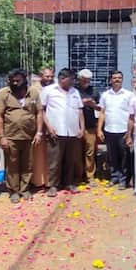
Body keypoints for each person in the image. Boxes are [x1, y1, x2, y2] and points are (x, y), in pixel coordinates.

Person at [0, 70, 42, 204]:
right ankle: (13, 191)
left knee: (28, 164)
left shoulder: (33, 92)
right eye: (13, 80)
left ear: (24, 80)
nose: (15, 83)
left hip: (29, 136)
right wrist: (2, 137)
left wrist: (39, 132)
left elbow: (39, 113)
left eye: (18, 80)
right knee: (12, 166)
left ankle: (24, 189)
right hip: (11, 137)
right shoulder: (3, 93)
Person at [41, 68, 85, 196]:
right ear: (62, 79)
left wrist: (81, 128)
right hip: (56, 131)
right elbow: (42, 110)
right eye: (71, 79)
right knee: (54, 160)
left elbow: (80, 110)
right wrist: (49, 127)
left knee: (70, 160)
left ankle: (69, 183)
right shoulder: (48, 90)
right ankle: (53, 185)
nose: (72, 82)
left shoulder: (75, 92)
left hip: (72, 132)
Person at [98, 70, 134, 189]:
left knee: (125, 156)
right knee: (112, 156)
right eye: (114, 78)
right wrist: (99, 130)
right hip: (109, 130)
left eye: (119, 77)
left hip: (123, 131)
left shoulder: (129, 95)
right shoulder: (105, 95)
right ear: (110, 80)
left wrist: (130, 133)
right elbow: (102, 113)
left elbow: (132, 115)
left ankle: (124, 180)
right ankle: (114, 177)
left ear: (122, 79)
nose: (117, 79)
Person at [31, 68, 54, 191]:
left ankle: (50, 181)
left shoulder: (56, 88)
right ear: (41, 76)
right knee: (38, 156)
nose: (49, 79)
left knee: (50, 155)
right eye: (47, 76)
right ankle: (39, 182)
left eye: (51, 76)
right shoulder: (34, 89)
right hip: (38, 126)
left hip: (52, 126)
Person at [76, 69, 101, 185]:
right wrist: (83, 102)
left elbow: (100, 108)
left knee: (90, 152)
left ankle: (90, 176)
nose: (86, 82)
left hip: (90, 126)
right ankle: (78, 176)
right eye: (84, 79)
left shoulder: (94, 91)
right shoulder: (73, 90)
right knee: (77, 152)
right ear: (79, 79)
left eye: (88, 80)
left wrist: (93, 105)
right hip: (75, 127)